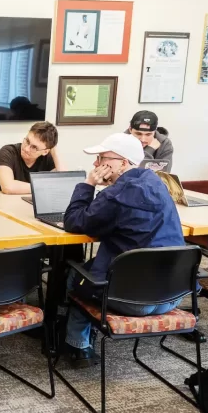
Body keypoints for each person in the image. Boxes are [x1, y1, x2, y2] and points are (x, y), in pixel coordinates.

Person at [61, 133, 185, 367]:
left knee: (76, 277)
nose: (96, 164)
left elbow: (74, 221)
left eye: (102, 158)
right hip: (172, 294)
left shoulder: (116, 195)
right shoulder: (157, 183)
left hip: (133, 299)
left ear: (124, 163)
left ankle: (77, 346)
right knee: (99, 269)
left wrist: (88, 185)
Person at [0, 121, 64, 194]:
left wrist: (55, 152)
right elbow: (8, 187)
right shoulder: (7, 152)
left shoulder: (47, 157)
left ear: (45, 151)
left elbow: (64, 182)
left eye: (34, 147)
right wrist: (42, 187)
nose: (26, 149)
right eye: (27, 141)